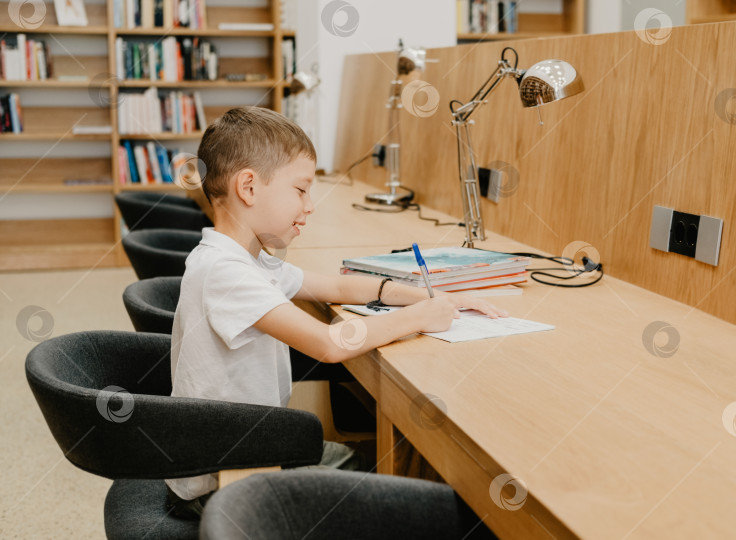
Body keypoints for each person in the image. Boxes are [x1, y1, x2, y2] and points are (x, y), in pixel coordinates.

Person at [166, 106, 508, 518]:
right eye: (301, 190)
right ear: (249, 188)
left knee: (381, 463)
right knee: (393, 482)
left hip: (242, 449)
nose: (310, 206)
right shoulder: (226, 272)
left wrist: (429, 297)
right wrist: (421, 318)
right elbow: (330, 344)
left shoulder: (247, 257)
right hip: (229, 478)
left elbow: (338, 286)